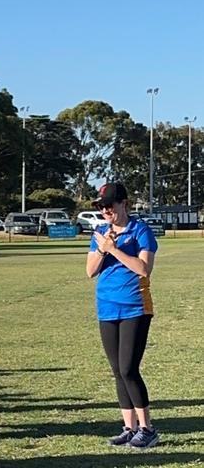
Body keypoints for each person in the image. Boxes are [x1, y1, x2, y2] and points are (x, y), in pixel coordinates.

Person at [86, 182, 159, 449]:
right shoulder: (100, 233)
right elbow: (90, 271)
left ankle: (147, 429)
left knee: (129, 369)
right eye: (101, 207)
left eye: (110, 205)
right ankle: (129, 428)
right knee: (117, 371)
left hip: (135, 307)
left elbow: (143, 268)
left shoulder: (141, 230)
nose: (105, 211)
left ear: (124, 204)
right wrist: (103, 248)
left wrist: (115, 249)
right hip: (107, 307)